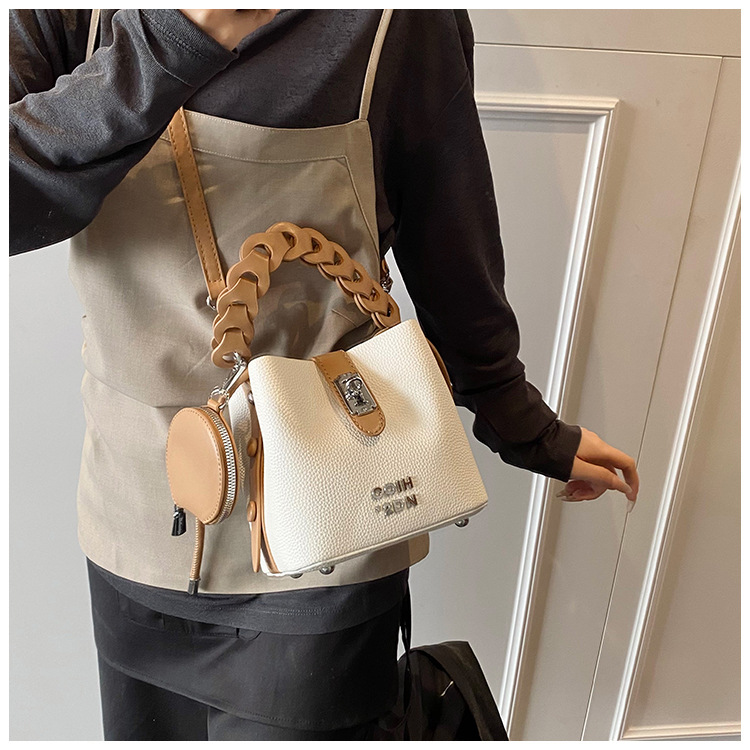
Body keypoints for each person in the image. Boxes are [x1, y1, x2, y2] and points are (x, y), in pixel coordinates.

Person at [9, 9, 639, 741]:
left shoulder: (396, 21)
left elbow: (448, 241)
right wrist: (174, 41)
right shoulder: (68, 13)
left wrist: (526, 428)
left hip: (329, 540)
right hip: (132, 524)